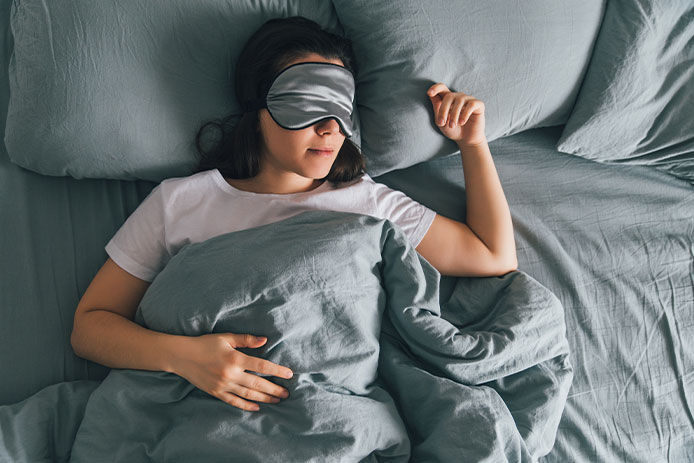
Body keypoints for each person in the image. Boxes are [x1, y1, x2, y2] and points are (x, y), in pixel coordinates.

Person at [70, 16, 516, 414]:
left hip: (334, 409)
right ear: (258, 107)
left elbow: (492, 255)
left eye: (340, 107)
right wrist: (185, 357)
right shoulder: (178, 203)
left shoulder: (368, 203)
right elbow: (90, 327)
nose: (329, 128)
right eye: (306, 102)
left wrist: (473, 145)